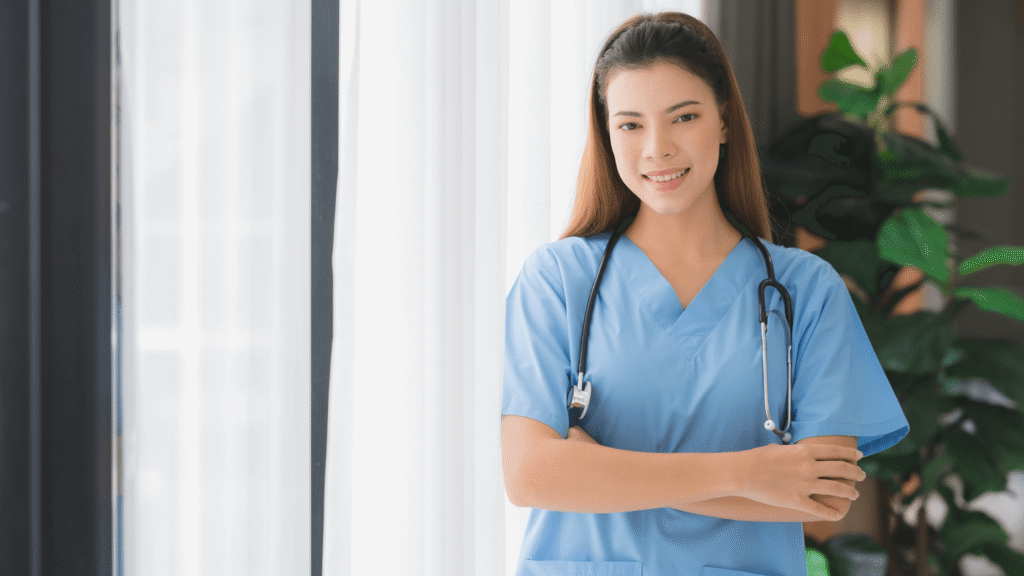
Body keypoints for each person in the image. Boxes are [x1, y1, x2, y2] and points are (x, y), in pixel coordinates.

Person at [500, 11, 909, 576]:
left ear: (723, 121)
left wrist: (595, 469)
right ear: (607, 134)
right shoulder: (557, 280)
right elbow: (530, 477)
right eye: (630, 124)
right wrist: (747, 474)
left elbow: (821, 501)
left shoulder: (805, 291)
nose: (657, 148)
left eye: (683, 116)